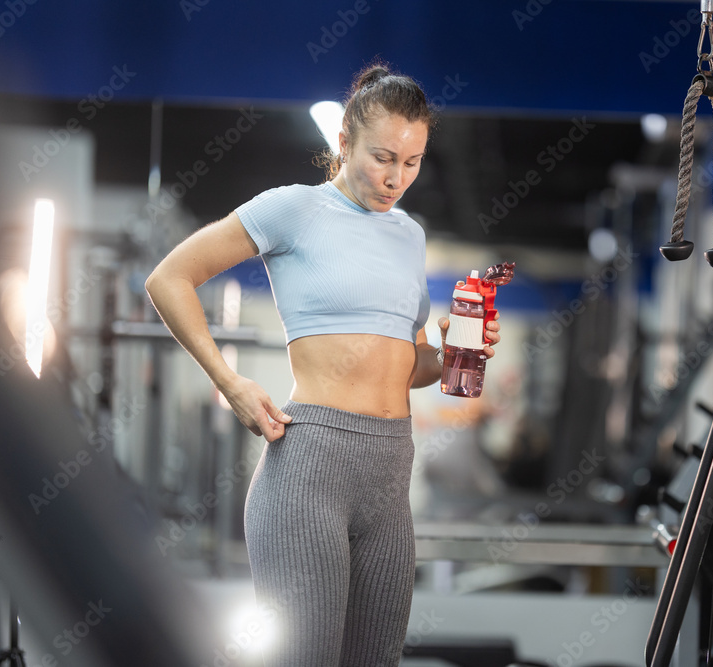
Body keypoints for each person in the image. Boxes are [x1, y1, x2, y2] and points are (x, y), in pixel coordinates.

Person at [145, 63, 501, 666]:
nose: (396, 178)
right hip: (310, 472)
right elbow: (169, 277)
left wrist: (453, 355)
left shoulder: (409, 236)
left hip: (391, 474)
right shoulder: (292, 210)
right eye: (382, 157)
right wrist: (229, 381)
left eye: (411, 162)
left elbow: (407, 365)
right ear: (343, 143)